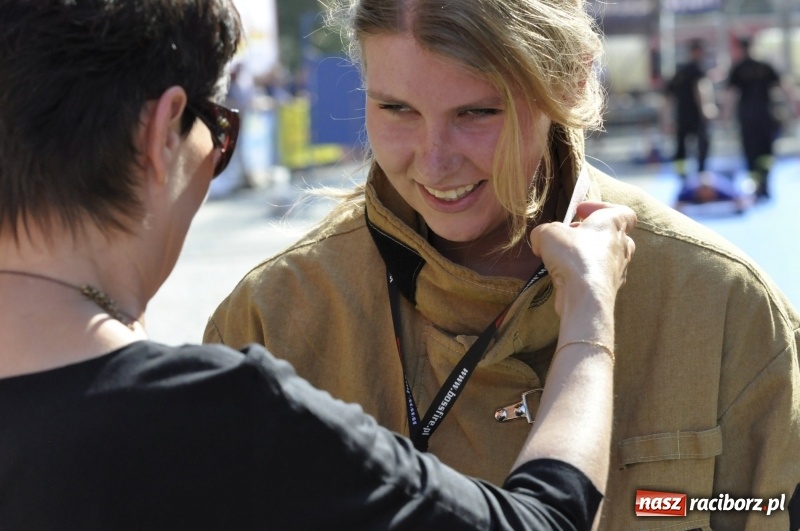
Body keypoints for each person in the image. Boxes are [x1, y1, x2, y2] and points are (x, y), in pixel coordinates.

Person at [0, 1, 639, 530]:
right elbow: (544, 523)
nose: (436, 162)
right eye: (219, 130)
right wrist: (586, 316)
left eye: (476, 111)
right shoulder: (219, 410)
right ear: (162, 132)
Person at [205, 0, 800, 529]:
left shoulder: (721, 303)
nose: (435, 163)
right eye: (396, 108)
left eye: (476, 113)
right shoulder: (271, 320)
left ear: (567, 82)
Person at [723, 36, 800, 200]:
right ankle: (765, 184)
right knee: (766, 152)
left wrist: (725, 116)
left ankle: (757, 185)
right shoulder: (765, 66)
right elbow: (785, 87)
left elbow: (730, 95)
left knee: (751, 153)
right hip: (765, 116)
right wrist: (794, 107)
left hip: (747, 117)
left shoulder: (738, 68)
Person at [663, 39, 718, 181]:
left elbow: (668, 98)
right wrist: (706, 109)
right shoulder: (697, 69)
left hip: (681, 116)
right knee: (702, 144)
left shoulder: (679, 71)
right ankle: (701, 173)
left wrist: (667, 119)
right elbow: (701, 90)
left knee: (681, 146)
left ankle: (682, 176)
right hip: (696, 116)